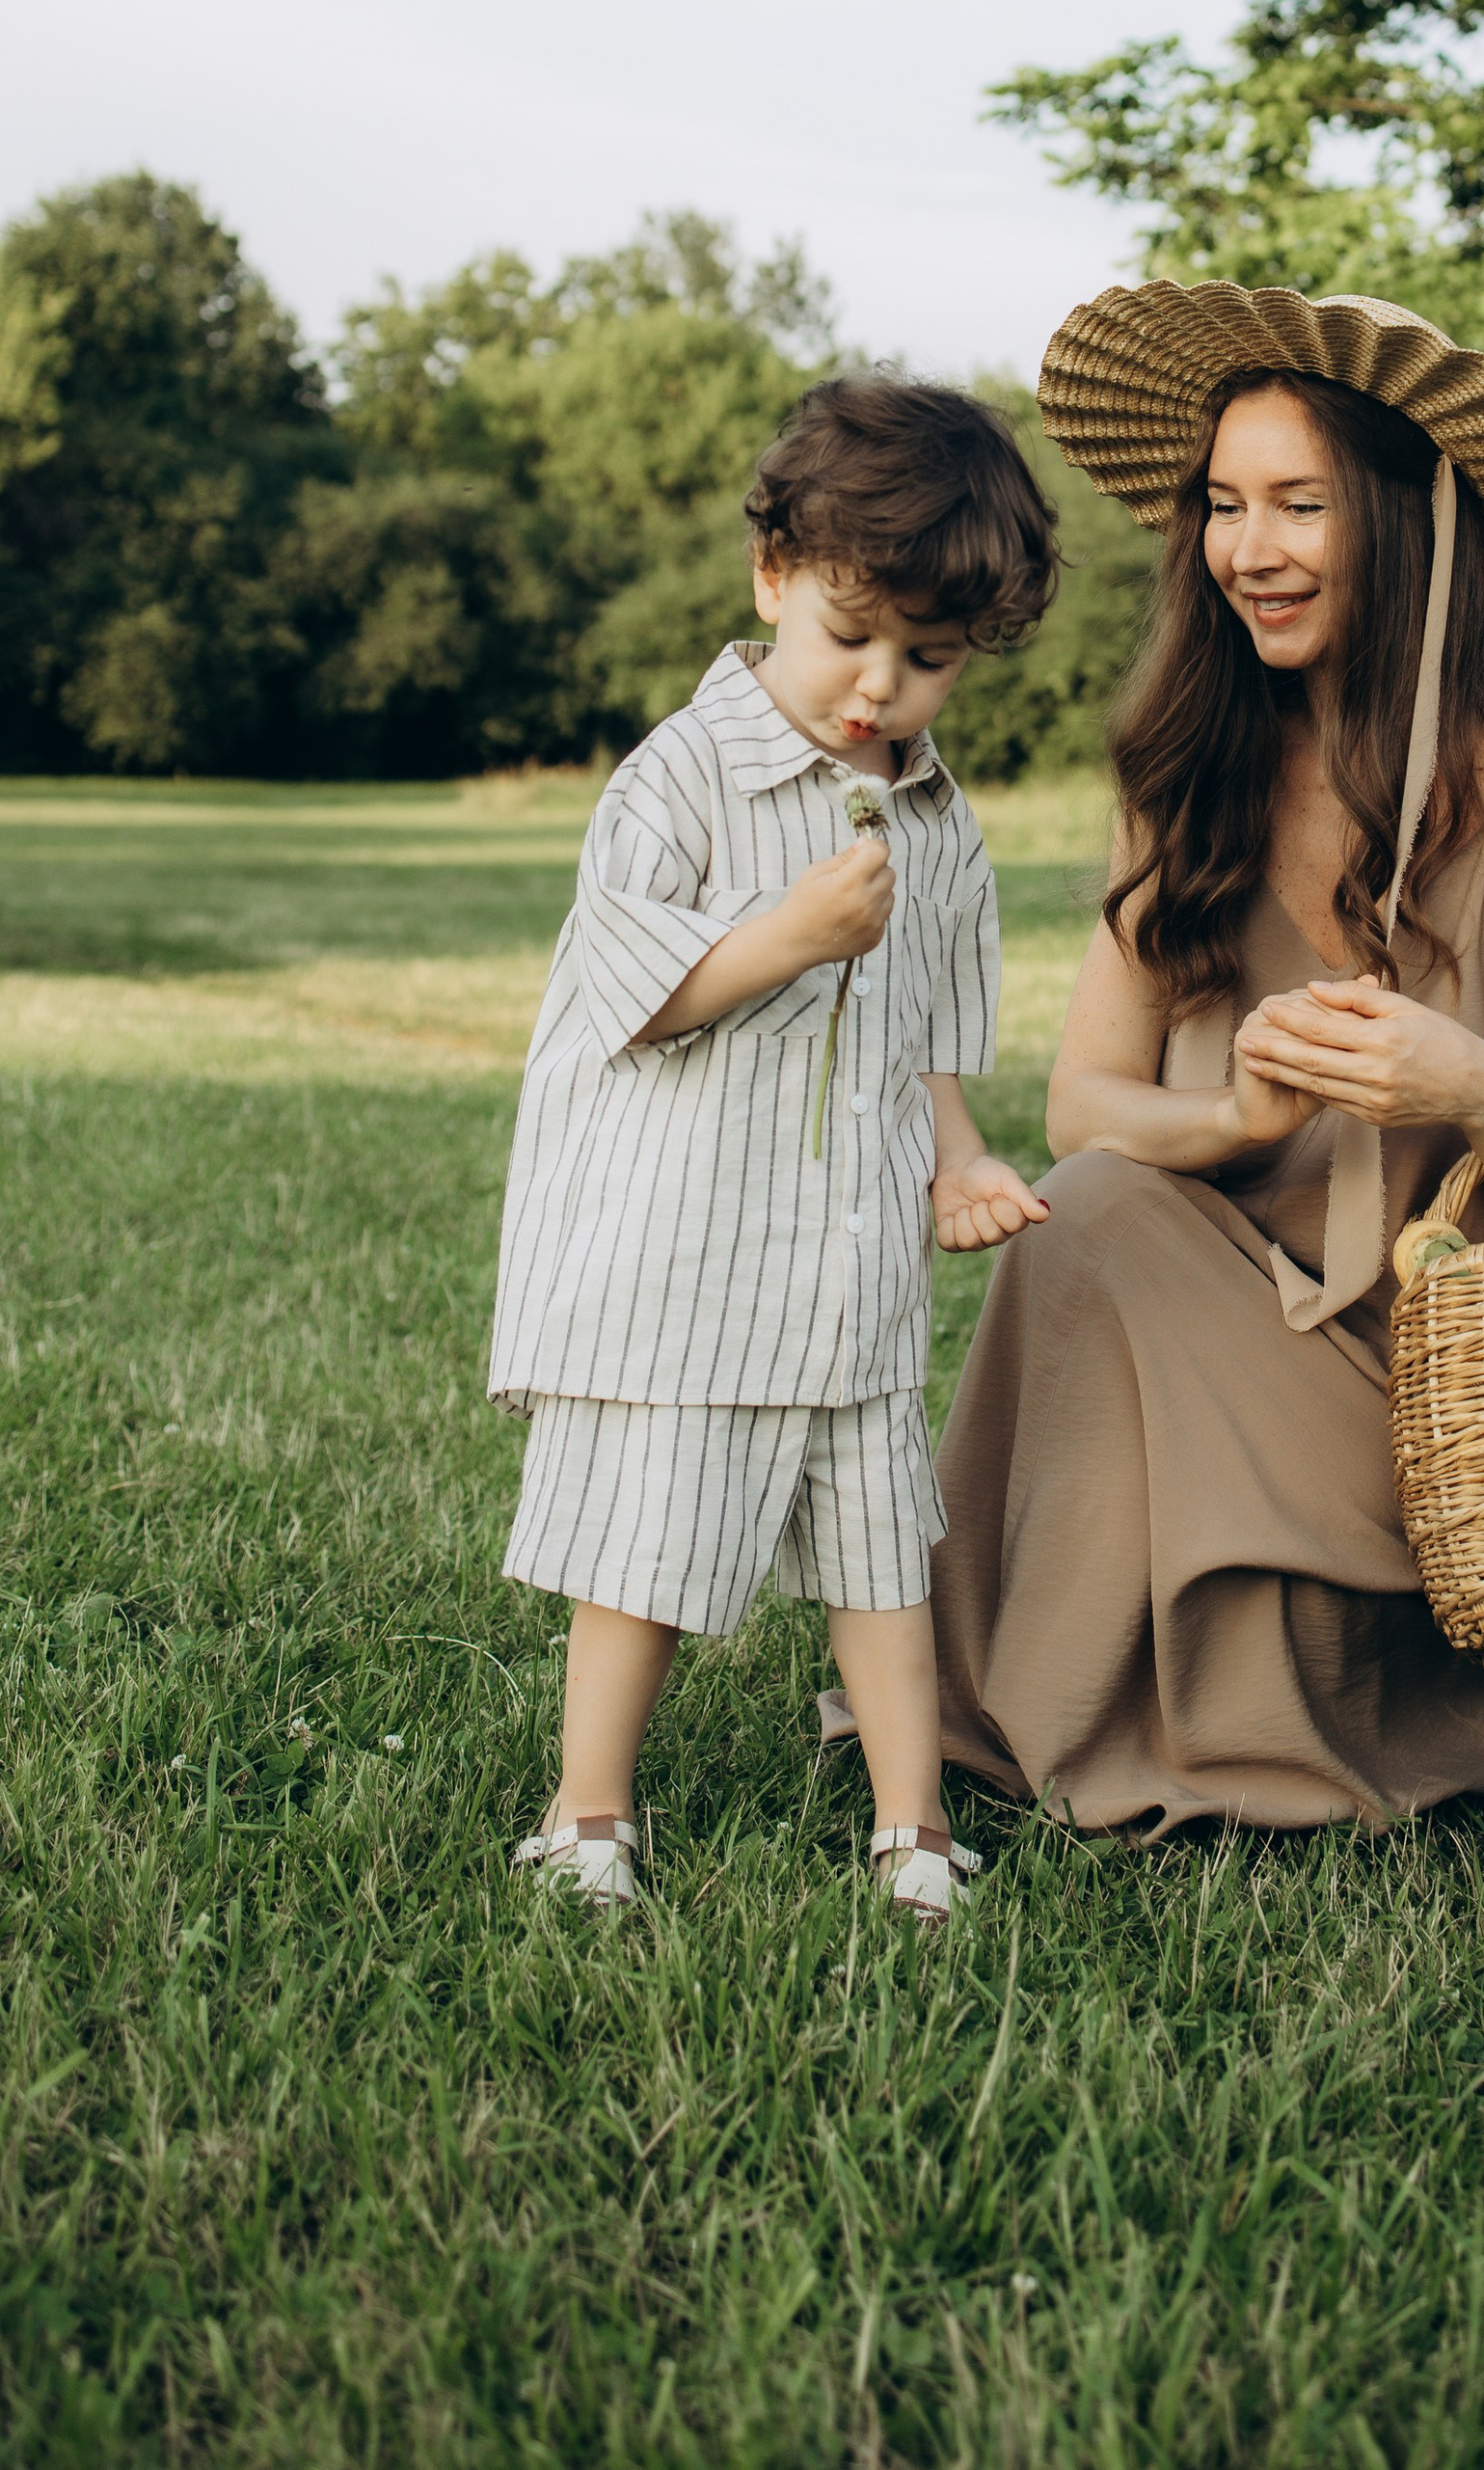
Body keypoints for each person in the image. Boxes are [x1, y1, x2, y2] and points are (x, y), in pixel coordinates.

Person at [930, 282, 1484, 1835]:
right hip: (1215, 1297)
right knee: (1084, 1209)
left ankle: (1260, 1707)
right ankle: (1063, 1701)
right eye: (1223, 506)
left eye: (1299, 504)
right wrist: (1237, 1112)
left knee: (1092, 1215)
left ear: (1407, 528)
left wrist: (1475, 1087)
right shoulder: (1192, 770)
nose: (1247, 550)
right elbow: (1084, 1103)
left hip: (1444, 1382)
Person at [488, 377, 1056, 1918]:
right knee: (647, 1549)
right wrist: (786, 933)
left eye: (927, 660)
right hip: (688, 1259)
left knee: (885, 1550)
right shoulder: (676, 779)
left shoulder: (932, 814)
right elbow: (643, 997)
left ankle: (912, 1827)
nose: (879, 688)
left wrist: (958, 1153)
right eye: (848, 637)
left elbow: (928, 1015)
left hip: (853, 1262)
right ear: (772, 581)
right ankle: (589, 1811)